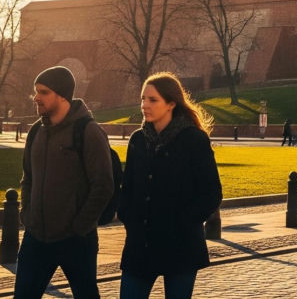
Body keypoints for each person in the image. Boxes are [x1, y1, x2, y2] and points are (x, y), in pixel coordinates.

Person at [117, 72, 222, 299]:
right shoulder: (138, 139)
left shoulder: (194, 140)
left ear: (171, 104)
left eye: (152, 100)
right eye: (143, 98)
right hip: (140, 245)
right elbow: (128, 188)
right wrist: (129, 217)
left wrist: (182, 222)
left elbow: (211, 193)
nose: (145, 105)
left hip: (180, 246)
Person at [16, 65, 115, 299]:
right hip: (36, 238)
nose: (36, 97)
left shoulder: (89, 132)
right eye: (36, 91)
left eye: (43, 92)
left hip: (75, 240)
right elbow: (27, 178)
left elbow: (103, 185)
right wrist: (27, 214)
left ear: (61, 95)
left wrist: (79, 226)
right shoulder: (35, 132)